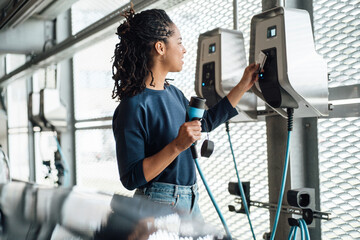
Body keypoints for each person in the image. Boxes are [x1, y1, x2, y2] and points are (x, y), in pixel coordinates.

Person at [112, 7, 260, 221]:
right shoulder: (132, 107)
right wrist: (177, 146)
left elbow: (204, 123)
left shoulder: (174, 93)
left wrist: (243, 85)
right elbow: (131, 178)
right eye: (179, 42)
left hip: (190, 200)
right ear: (160, 47)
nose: (184, 50)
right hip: (157, 206)